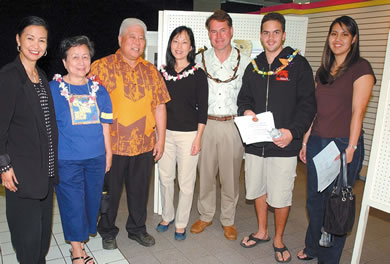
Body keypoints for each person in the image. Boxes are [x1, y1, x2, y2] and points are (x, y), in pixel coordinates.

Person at [237, 12, 316, 263]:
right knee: (258, 189)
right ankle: (262, 231)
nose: (270, 37)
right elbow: (243, 98)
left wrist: (292, 132)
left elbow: (308, 105)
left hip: (284, 143)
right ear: (260, 36)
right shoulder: (254, 66)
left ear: (283, 34)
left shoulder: (298, 65)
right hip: (256, 143)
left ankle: (278, 239)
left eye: (276, 32)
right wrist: (246, 110)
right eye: (266, 32)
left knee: (280, 195)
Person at [297, 16, 375, 264]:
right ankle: (313, 246)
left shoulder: (361, 68)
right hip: (318, 142)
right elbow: (315, 110)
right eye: (334, 33)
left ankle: (328, 259)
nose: (338, 39)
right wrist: (306, 139)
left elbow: (357, 112)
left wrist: (351, 147)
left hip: (342, 145)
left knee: (336, 205)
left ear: (353, 39)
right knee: (315, 201)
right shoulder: (322, 71)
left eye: (344, 34)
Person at [90, 18, 171, 249]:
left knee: (139, 192)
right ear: (120, 39)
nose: (137, 42)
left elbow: (160, 106)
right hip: (111, 147)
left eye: (141, 37)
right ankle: (107, 231)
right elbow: (88, 104)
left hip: (144, 145)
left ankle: (137, 229)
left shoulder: (151, 71)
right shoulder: (101, 67)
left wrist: (161, 139)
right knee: (110, 193)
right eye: (132, 36)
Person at [49, 35, 113, 263]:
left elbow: (106, 126)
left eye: (85, 56)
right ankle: (77, 251)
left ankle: (80, 240)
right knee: (72, 203)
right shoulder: (53, 90)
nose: (81, 61)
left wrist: (108, 153)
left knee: (90, 202)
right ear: (65, 62)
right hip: (67, 160)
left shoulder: (100, 91)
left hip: (96, 157)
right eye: (75, 57)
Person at [0, 16, 58, 264]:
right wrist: (4, 166)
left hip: (44, 171)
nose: (36, 44)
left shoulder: (41, 75)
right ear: (18, 40)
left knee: (42, 237)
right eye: (30, 38)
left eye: (41, 40)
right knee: (27, 238)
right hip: (21, 173)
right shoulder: (9, 76)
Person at [189, 9, 251, 241]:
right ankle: (205, 215)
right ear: (209, 34)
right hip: (206, 125)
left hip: (233, 126)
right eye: (213, 31)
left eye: (223, 30)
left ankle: (228, 220)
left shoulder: (245, 63)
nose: (218, 36)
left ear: (231, 31)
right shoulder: (198, 61)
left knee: (230, 176)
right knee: (204, 174)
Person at [156, 26, 208, 240]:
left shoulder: (198, 74)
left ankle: (181, 223)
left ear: (191, 47)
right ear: (170, 45)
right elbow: (156, 105)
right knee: (165, 178)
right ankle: (167, 216)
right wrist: (157, 136)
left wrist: (198, 137)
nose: (179, 46)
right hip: (165, 135)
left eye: (184, 42)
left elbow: (203, 109)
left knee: (186, 182)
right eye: (175, 41)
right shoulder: (161, 73)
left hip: (189, 136)